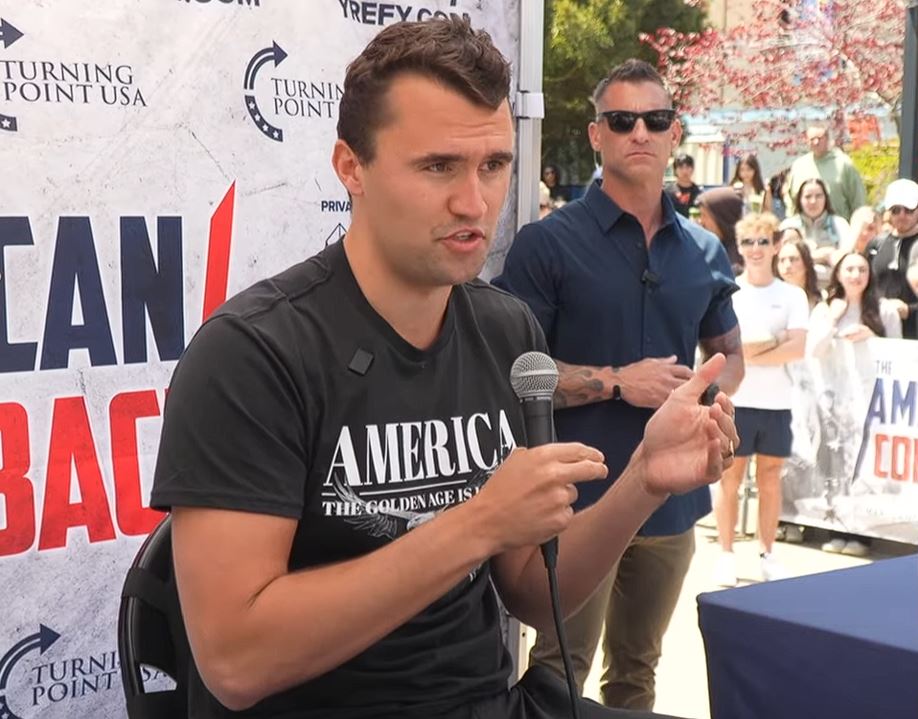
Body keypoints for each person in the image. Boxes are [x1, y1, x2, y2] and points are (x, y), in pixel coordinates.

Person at [147, 19, 738, 719]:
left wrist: (641, 479)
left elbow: (532, 590)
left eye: (494, 165)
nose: (474, 202)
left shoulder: (505, 330)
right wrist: (477, 524)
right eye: (438, 167)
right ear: (351, 168)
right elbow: (236, 661)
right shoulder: (253, 352)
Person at [493, 59, 744, 712]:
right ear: (596, 133)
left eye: (655, 120)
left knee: (637, 675)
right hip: (574, 503)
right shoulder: (546, 244)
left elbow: (730, 358)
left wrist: (710, 397)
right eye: (622, 119)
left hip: (672, 510)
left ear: (674, 133)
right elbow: (508, 373)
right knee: (557, 678)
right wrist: (616, 382)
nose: (640, 132)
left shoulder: (704, 251)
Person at [713, 212, 808, 587]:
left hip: (777, 403)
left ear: (776, 246)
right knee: (729, 480)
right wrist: (775, 340)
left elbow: (797, 349)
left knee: (770, 480)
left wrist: (749, 350)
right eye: (748, 242)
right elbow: (724, 351)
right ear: (739, 246)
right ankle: (726, 554)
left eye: (763, 241)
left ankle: (768, 553)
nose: (756, 249)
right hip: (735, 402)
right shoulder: (729, 292)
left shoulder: (792, 295)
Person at [807, 251, 901, 557]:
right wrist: (833, 319)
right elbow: (814, 350)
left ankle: (862, 536)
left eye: (862, 269)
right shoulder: (825, 309)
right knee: (837, 467)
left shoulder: (884, 310)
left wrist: (872, 335)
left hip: (871, 400)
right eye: (849, 269)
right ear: (838, 274)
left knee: (864, 468)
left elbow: (898, 354)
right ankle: (837, 530)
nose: (856, 275)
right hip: (835, 400)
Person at [867, 178, 918, 339]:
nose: (902, 215)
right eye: (896, 210)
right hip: (879, 330)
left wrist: (909, 310)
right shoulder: (876, 244)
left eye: (909, 210)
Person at [784, 124, 867, 221]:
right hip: (805, 226)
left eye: (819, 138)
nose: (816, 142)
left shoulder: (843, 164)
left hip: (838, 226)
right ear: (807, 141)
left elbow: (858, 198)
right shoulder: (799, 166)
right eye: (812, 139)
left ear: (827, 139)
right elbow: (791, 199)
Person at [782, 177, 850, 276]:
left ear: (826, 199)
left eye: (818, 196)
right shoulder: (788, 225)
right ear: (799, 200)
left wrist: (804, 258)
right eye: (808, 197)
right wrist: (824, 255)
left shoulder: (839, 223)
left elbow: (846, 257)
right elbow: (783, 259)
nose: (813, 201)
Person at [697, 186, 744, 274]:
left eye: (705, 216)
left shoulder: (738, 261)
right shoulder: (710, 249)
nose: (701, 221)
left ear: (722, 218)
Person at [777, 234, 822, 310]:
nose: (787, 265)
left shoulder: (821, 300)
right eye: (782, 260)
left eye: (793, 259)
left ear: (806, 263)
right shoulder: (771, 298)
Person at [664, 152, 703, 218]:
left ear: (692, 169)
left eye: (687, 167)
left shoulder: (699, 193)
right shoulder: (667, 193)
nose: (684, 171)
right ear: (675, 170)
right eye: (681, 167)